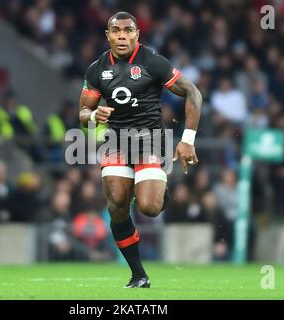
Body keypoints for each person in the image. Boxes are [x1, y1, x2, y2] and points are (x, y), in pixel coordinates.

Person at [78, 12, 202, 288]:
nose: (122, 36)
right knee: (117, 208)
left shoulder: (152, 62)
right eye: (115, 31)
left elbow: (192, 92)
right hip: (116, 142)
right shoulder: (96, 69)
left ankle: (158, 188)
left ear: (137, 35)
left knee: (148, 208)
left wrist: (188, 138)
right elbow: (82, 112)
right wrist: (93, 114)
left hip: (150, 140)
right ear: (107, 35)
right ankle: (138, 275)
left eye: (128, 30)